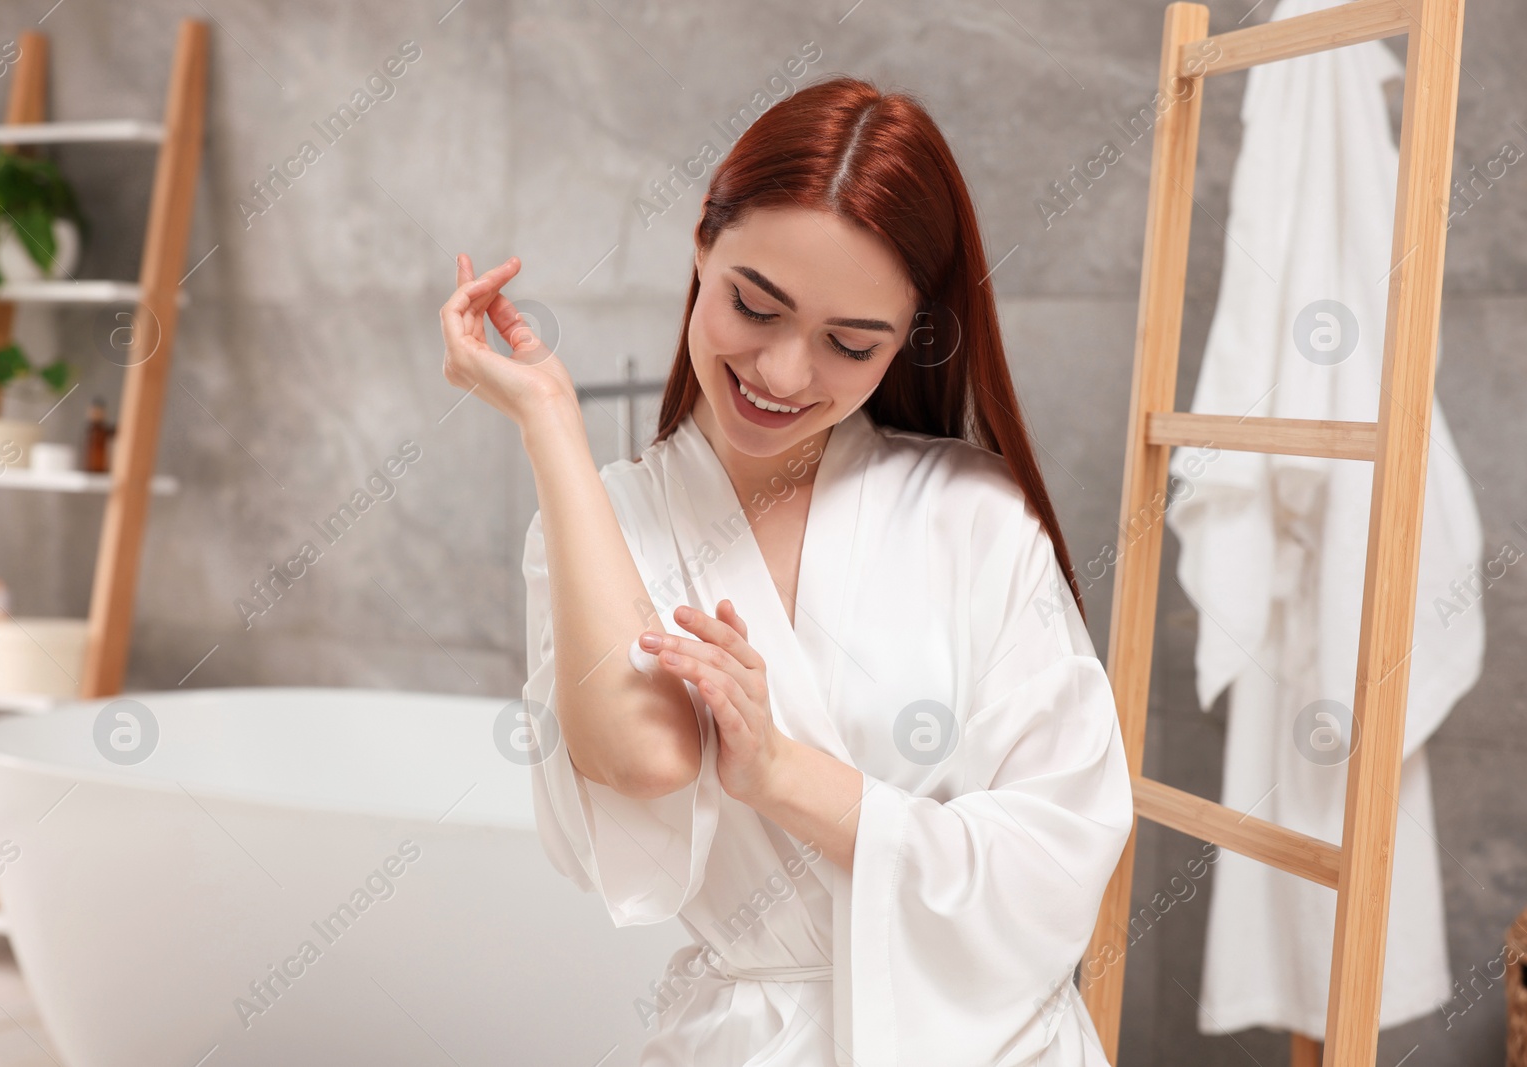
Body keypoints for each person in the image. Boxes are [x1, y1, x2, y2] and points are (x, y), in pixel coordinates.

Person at [440, 74, 1134, 1067]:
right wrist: (550, 418)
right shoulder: (606, 524)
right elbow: (643, 762)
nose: (781, 375)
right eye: (753, 306)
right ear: (700, 245)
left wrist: (783, 773)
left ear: (908, 340)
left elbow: (1054, 857)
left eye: (850, 344)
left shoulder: (972, 516)